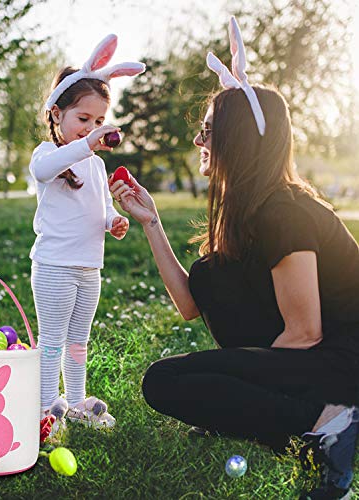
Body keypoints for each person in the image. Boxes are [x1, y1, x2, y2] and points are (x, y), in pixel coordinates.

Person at [109, 17, 358, 500]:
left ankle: (329, 424)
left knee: (169, 379)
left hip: (344, 362)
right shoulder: (249, 213)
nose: (198, 141)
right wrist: (151, 222)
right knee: (204, 295)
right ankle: (290, 415)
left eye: (208, 131)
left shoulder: (284, 212)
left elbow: (305, 332)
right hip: (316, 359)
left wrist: (238, 381)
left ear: (237, 139)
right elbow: (191, 303)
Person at [29, 34, 145, 432]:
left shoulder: (95, 164)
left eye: (98, 122)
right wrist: (86, 144)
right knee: (52, 341)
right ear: (56, 113)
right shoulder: (49, 155)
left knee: (79, 341)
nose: (91, 129)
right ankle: (45, 407)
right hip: (55, 267)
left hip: (88, 268)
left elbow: (101, 205)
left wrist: (112, 220)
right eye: (83, 120)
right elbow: (44, 171)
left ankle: (76, 401)